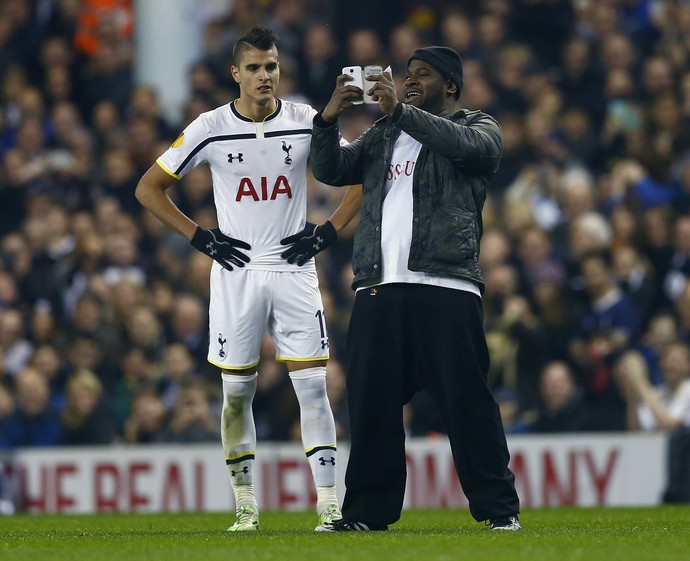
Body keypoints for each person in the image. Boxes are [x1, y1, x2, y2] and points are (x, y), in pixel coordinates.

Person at [298, 45, 522, 530]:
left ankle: (498, 511)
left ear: (452, 86)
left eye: (424, 75)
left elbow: (476, 151)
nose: (412, 80)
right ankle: (367, 513)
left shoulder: (478, 126)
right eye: (408, 75)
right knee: (371, 405)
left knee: (467, 404)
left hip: (446, 285)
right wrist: (328, 118)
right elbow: (333, 170)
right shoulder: (383, 133)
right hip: (379, 288)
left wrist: (399, 112)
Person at [135, 26, 344, 532]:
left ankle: (329, 505)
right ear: (235, 73)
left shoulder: (307, 121)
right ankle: (246, 505)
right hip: (236, 271)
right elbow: (149, 188)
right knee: (236, 393)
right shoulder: (209, 126)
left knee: (313, 388)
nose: (264, 75)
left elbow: (359, 176)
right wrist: (199, 237)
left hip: (293, 267)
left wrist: (328, 231)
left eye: (271, 66)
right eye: (253, 67)